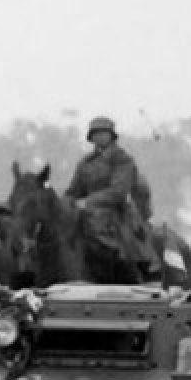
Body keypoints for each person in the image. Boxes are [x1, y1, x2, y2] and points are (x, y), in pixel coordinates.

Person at [64, 116, 149, 281]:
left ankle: (123, 269)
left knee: (100, 226)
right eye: (95, 133)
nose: (99, 136)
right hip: (85, 210)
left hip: (116, 212)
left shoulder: (122, 159)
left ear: (111, 136)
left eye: (104, 133)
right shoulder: (85, 163)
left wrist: (88, 202)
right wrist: (64, 203)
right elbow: (73, 190)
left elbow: (119, 191)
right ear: (91, 137)